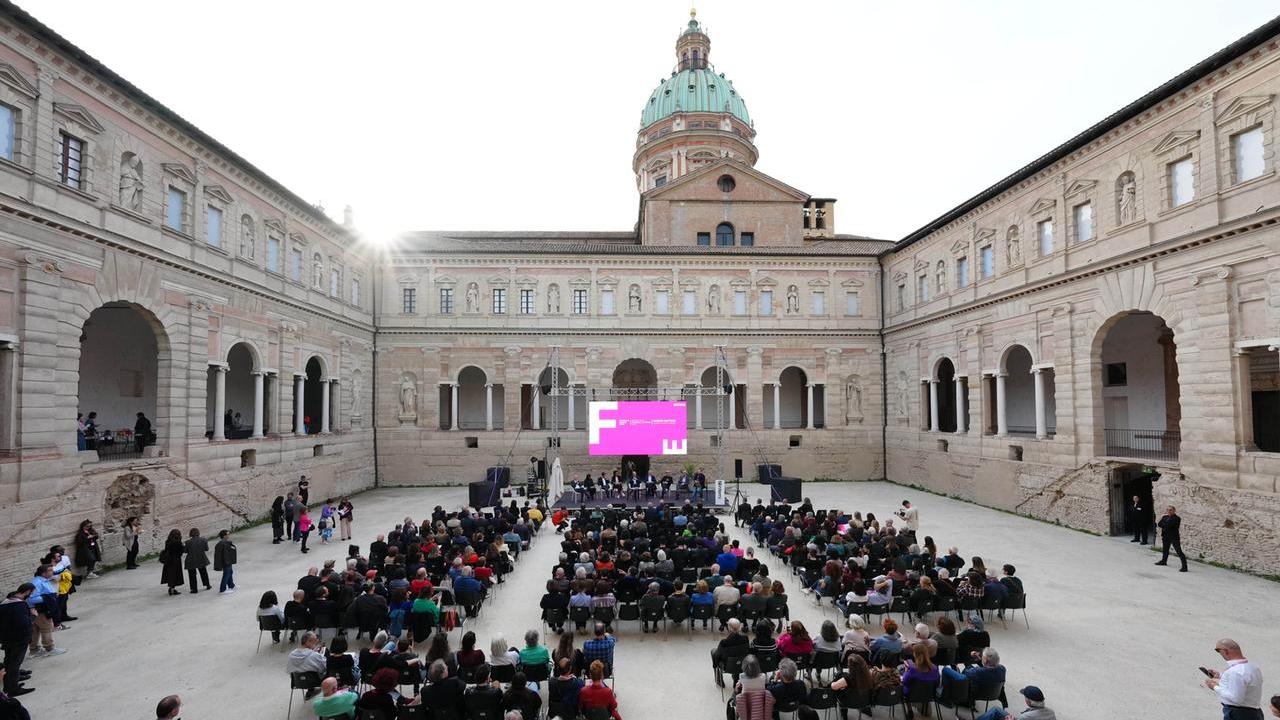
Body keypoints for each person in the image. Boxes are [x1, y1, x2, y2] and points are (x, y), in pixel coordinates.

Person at [1205, 639, 1263, 720]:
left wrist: (1215, 687)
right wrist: (1221, 676)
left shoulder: (1235, 672)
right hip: (1254, 712)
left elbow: (1236, 699)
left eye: (1217, 650)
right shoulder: (1254, 667)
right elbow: (1244, 682)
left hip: (1239, 714)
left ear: (1225, 651)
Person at [0, 585, 33, 697]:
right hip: (19, 639)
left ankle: (8, 687)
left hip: (7, 638)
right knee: (15, 663)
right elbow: (23, 624)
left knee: (9, 662)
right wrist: (33, 617)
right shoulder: (19, 606)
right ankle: (13, 689)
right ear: (27, 592)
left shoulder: (5, 603)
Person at [900, 643, 940, 718]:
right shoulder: (935, 668)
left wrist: (906, 671)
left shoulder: (912, 669)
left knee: (903, 686)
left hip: (911, 695)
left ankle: (909, 709)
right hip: (929, 695)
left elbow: (904, 682)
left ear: (915, 655)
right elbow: (937, 684)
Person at [975, 685, 1056, 720]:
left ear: (1029, 701)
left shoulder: (1026, 717)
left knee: (995, 712)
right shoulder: (1051, 712)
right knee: (996, 710)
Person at [287, 632, 328, 699]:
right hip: (315, 682)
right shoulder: (314, 656)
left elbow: (289, 670)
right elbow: (323, 668)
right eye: (315, 640)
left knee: (307, 671)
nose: (317, 641)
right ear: (308, 642)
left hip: (297, 682)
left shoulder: (291, 655)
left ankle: (311, 691)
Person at [712, 618, 749, 688]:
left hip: (727, 666)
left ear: (729, 628)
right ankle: (736, 679)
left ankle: (719, 680)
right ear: (740, 627)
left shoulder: (724, 642)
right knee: (738, 656)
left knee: (713, 652)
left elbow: (717, 655)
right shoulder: (745, 638)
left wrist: (715, 664)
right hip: (741, 664)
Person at [1154, 505, 1188, 572]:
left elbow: (1171, 526)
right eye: (1168, 510)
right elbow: (1159, 524)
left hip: (1174, 537)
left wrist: (1165, 525)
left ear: (1174, 511)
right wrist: (1165, 525)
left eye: (1170, 510)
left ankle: (1184, 566)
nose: (1169, 511)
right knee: (1165, 550)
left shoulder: (1177, 518)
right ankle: (1164, 561)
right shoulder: (1164, 517)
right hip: (1165, 536)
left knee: (1179, 551)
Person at [184, 528, 211, 594]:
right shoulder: (204, 540)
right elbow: (206, 549)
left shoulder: (188, 542)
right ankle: (207, 585)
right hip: (201, 558)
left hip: (191, 560)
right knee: (203, 572)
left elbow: (185, 551)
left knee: (192, 575)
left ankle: (194, 589)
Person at [160, 529, 184, 596]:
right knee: (175, 575)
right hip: (176, 560)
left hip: (168, 560)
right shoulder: (178, 542)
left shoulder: (168, 541)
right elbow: (181, 551)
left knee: (170, 574)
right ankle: (172, 589)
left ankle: (171, 588)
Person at [213, 530, 236, 595]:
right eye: (227, 534)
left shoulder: (226, 542)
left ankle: (231, 586)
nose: (229, 536)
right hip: (225, 562)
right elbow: (219, 555)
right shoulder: (221, 544)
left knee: (230, 572)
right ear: (224, 536)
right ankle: (222, 590)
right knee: (226, 575)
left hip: (228, 561)